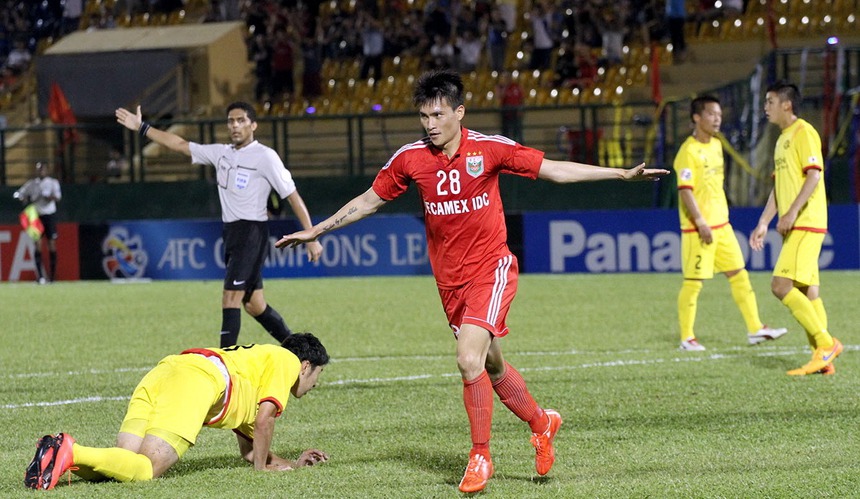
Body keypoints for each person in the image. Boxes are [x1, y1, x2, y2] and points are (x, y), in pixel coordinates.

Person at [275, 69, 668, 493]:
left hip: (492, 269)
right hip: (450, 284)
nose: (430, 124)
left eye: (438, 115)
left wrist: (621, 175)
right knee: (491, 363)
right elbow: (369, 200)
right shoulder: (411, 158)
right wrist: (317, 229)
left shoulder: (489, 149)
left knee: (467, 359)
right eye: (423, 116)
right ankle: (541, 422)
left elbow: (554, 170)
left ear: (459, 112)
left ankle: (480, 455)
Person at [115, 102, 323, 348]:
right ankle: (300, 352)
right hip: (232, 233)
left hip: (251, 232)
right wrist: (142, 127)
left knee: (230, 297)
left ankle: (223, 366)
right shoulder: (221, 153)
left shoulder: (266, 157)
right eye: (230, 121)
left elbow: (293, 197)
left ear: (253, 125)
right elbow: (179, 144)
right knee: (255, 306)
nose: (234, 125)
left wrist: (311, 237)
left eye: (241, 120)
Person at [24, 333, 330, 490]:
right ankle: (69, 451)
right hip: (197, 380)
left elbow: (252, 452)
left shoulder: (256, 372)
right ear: (306, 366)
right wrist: (262, 472)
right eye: (318, 375)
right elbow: (265, 422)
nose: (316, 384)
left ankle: (59, 453)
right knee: (145, 471)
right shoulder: (286, 362)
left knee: (122, 468)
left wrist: (293, 463)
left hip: (169, 369)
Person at [674, 95, 787, 352]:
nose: (717, 119)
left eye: (719, 115)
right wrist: (700, 221)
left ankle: (755, 329)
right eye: (712, 114)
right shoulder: (688, 151)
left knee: (739, 274)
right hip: (698, 228)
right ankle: (686, 337)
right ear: (697, 117)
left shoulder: (716, 145)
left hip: (722, 225)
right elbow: (685, 191)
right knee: (693, 282)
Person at [749, 81, 843, 376]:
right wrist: (764, 222)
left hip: (807, 221)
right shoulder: (781, 139)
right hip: (797, 223)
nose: (766, 108)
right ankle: (822, 359)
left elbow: (814, 175)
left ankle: (826, 344)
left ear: (786, 104)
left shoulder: (804, 132)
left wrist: (790, 213)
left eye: (770, 102)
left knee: (781, 286)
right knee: (808, 291)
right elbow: (779, 187)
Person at [13, 161, 62, 284]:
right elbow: (20, 193)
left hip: (49, 215)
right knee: (38, 245)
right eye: (39, 169)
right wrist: (22, 197)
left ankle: (52, 276)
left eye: (43, 169)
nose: (41, 172)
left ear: (47, 170)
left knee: (51, 244)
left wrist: (48, 197)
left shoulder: (52, 182)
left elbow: (58, 197)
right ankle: (40, 276)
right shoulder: (32, 184)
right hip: (36, 217)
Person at [496, 70, 525, 144]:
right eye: (505, 78)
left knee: (517, 132)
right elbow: (500, 97)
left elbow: (521, 99)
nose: (507, 79)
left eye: (508, 77)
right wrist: (505, 88)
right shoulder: (501, 87)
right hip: (506, 113)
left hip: (515, 113)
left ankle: (519, 147)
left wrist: (520, 110)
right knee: (506, 133)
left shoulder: (516, 86)